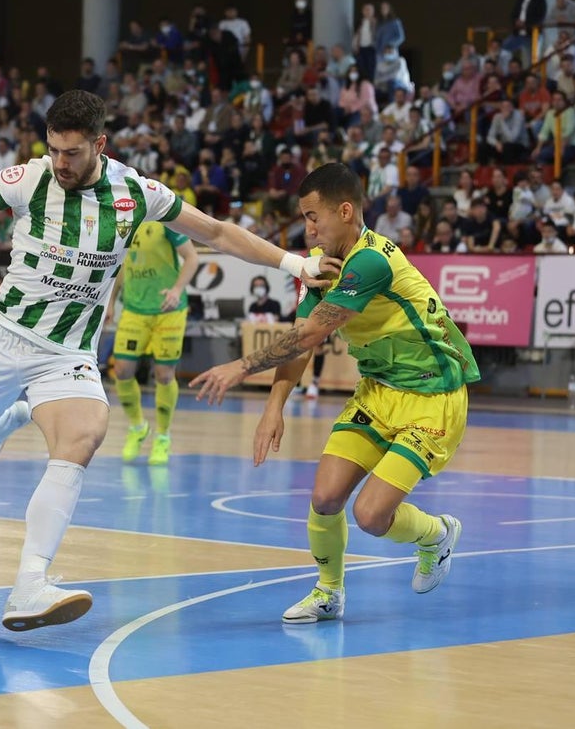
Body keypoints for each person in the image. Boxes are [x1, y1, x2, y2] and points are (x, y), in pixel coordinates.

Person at [0, 90, 338, 631]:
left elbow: (218, 232)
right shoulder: (27, 181)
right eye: (54, 149)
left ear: (99, 145)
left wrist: (295, 262)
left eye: (72, 153)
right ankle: (11, 414)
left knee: (86, 432)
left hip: (66, 353)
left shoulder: (136, 193)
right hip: (1, 339)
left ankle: (29, 585)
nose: (60, 162)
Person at [190, 162, 477, 625]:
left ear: (345, 211)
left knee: (370, 515)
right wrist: (273, 408)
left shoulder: (371, 261)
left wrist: (240, 368)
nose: (308, 230)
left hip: (433, 396)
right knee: (324, 498)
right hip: (378, 392)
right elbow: (303, 335)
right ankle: (329, 592)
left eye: (312, 217)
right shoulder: (321, 267)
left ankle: (436, 534)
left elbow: (306, 338)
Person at [106, 218, 200, 466]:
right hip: (134, 309)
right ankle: (137, 427)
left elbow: (192, 258)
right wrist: (111, 302)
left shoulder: (166, 221)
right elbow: (120, 267)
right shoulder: (122, 222)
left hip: (168, 309)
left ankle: (163, 436)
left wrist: (177, 290)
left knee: (164, 375)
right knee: (122, 371)